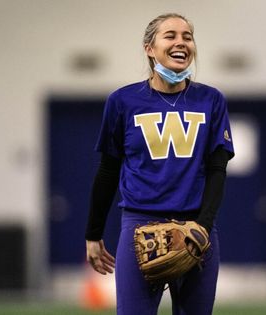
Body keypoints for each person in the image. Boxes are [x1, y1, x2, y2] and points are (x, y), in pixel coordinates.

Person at [84, 13, 235, 315]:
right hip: (140, 225)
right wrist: (93, 234)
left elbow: (218, 170)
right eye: (170, 35)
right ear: (149, 48)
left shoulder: (211, 100)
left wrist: (202, 227)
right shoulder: (122, 101)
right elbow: (108, 171)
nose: (181, 42)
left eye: (187, 36)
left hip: (197, 226)